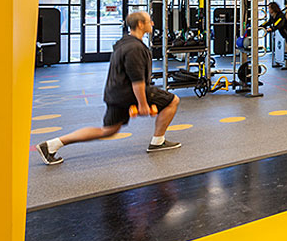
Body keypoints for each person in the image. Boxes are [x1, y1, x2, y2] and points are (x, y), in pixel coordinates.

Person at [37, 11, 180, 165]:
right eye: (149, 21)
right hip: (129, 92)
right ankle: (158, 142)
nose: (152, 23)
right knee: (173, 100)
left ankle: (52, 144)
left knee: (108, 130)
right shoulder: (135, 48)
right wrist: (143, 104)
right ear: (140, 24)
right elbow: (137, 81)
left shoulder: (125, 42)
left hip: (115, 93)